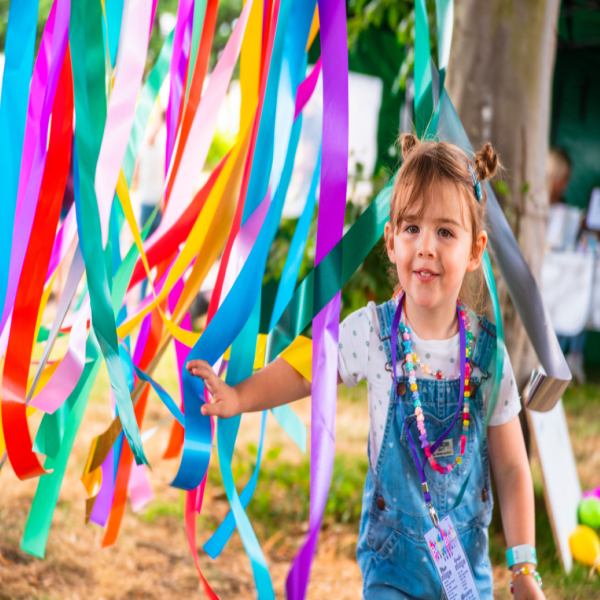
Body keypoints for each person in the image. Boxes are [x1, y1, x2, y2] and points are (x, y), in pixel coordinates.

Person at [186, 136, 544, 599]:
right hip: (389, 567)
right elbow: (304, 369)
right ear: (391, 240)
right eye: (412, 227)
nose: (426, 247)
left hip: (465, 576)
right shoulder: (371, 333)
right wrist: (238, 398)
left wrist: (522, 568)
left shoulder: (488, 355)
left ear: (475, 251)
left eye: (446, 232)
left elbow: (513, 467)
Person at [132, 107, 166, 298]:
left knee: (144, 253)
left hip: (145, 202)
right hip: (160, 205)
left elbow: (135, 174)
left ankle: (142, 294)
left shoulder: (145, 139)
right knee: (161, 252)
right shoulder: (166, 140)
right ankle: (158, 297)